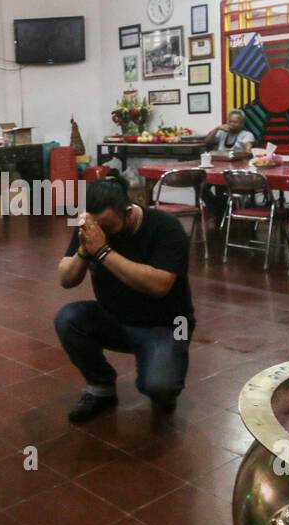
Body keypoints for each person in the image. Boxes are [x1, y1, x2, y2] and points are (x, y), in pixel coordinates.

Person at [55, 174, 195, 423]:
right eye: (96, 226)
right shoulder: (94, 228)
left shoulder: (166, 227)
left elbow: (159, 286)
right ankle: (101, 388)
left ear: (129, 213)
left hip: (166, 325)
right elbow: (66, 279)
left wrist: (103, 251)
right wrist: (83, 251)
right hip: (116, 318)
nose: (102, 233)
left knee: (159, 387)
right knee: (68, 318)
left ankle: (166, 380)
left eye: (108, 228)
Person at [201, 108, 256, 221]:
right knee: (202, 188)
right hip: (217, 168)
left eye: (236, 122)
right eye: (230, 121)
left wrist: (247, 150)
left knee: (222, 190)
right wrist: (217, 128)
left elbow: (248, 149)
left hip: (235, 173)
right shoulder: (222, 133)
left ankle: (220, 214)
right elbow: (207, 142)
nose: (232, 124)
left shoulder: (246, 134)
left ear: (242, 123)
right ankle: (217, 210)